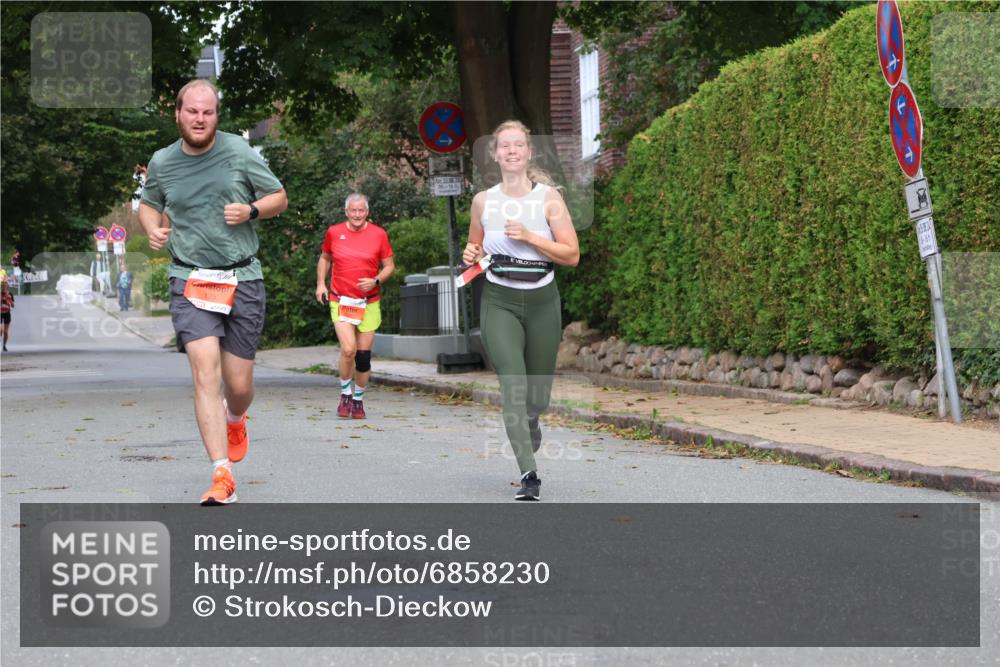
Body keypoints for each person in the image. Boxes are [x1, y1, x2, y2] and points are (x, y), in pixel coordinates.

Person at [138, 79, 288, 506]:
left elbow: (280, 196)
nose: (199, 119)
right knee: (205, 374)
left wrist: (253, 209)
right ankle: (221, 473)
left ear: (216, 116)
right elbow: (149, 203)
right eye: (192, 111)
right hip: (191, 279)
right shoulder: (163, 161)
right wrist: (153, 229)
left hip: (242, 277)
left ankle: (236, 418)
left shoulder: (239, 152)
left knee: (237, 384)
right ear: (179, 114)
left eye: (208, 112)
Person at [462, 120, 580, 501]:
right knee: (513, 383)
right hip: (500, 301)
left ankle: (533, 416)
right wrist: (471, 254)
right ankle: (529, 474)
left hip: (543, 301)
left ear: (529, 153)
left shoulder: (548, 199)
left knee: (537, 395)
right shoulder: (483, 201)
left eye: (518, 145)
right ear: (495, 154)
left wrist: (530, 236)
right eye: (504, 146)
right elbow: (474, 249)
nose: (511, 151)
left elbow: (572, 255)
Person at [314, 193, 395, 420]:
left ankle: (358, 399)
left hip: (368, 302)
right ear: (346, 212)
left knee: (362, 357)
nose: (357, 215)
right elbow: (325, 258)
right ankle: (345, 394)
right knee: (348, 349)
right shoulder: (334, 232)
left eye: (361, 211)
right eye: (353, 211)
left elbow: (389, 266)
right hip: (341, 300)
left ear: (367, 212)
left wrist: (376, 280)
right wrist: (321, 284)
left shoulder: (379, 234)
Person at [1, 273, 14, 351]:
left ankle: (4, 345)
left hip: (7, 313)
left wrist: (8, 300)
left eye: (5, 286)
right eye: (2, 286)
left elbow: (13, 306)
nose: (3, 287)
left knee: (5, 332)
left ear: (7, 287)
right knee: (0, 330)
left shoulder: (10, 294)